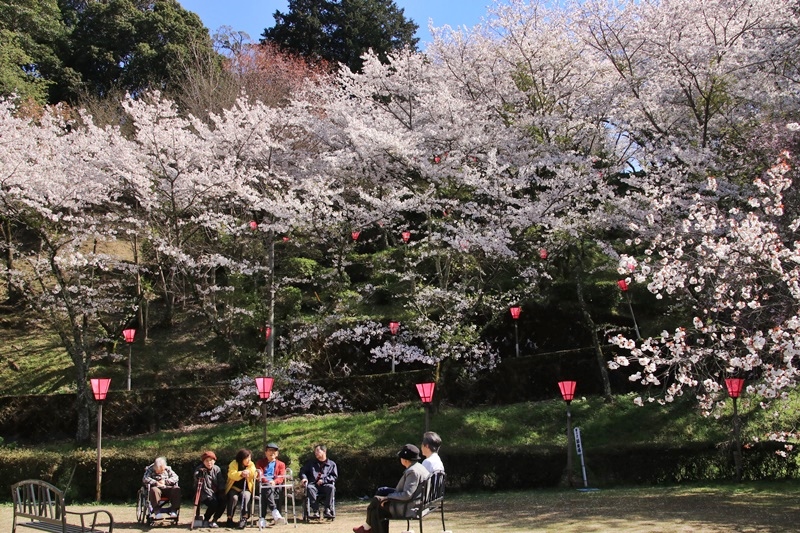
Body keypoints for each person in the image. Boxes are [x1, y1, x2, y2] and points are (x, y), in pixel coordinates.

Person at [352, 444, 429, 533]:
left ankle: (367, 527)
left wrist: (388, 498)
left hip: (409, 507)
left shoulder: (413, 472)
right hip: (416, 502)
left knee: (377, 508)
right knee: (382, 491)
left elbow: (407, 494)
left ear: (405, 460)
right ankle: (367, 527)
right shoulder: (419, 467)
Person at [300, 443, 338, 520]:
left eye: (318, 451)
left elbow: (334, 476)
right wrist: (304, 478)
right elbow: (303, 471)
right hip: (313, 484)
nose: (316, 453)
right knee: (310, 488)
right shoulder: (311, 463)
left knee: (331, 487)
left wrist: (324, 480)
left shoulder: (332, 464)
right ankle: (315, 511)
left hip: (325, 485)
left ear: (324, 451)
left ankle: (327, 510)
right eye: (315, 451)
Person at [255, 442, 287, 527]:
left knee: (266, 491)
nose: (272, 453)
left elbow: (281, 477)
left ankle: (262, 518)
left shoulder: (281, 464)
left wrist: (274, 482)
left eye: (274, 451)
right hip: (264, 484)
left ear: (277, 453)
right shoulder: (260, 463)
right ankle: (275, 511)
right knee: (266, 488)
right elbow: (260, 474)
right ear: (266, 452)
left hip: (276, 485)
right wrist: (267, 481)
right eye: (269, 450)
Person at [225, 448, 257, 529]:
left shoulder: (251, 464)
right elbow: (231, 474)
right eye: (246, 458)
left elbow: (253, 472)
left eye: (249, 457)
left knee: (246, 496)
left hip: (246, 488)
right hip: (234, 487)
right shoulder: (233, 463)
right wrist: (241, 474)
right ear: (241, 458)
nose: (248, 460)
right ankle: (229, 518)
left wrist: (248, 472)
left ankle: (244, 518)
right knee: (233, 497)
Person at [193, 450, 226, 528]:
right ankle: (206, 519)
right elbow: (196, 476)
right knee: (213, 503)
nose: (209, 463)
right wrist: (199, 475)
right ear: (203, 462)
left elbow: (221, 481)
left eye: (211, 460)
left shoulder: (217, 469)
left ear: (214, 461)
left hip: (215, 492)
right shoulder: (200, 469)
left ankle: (215, 520)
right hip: (204, 492)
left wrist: (222, 491)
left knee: (223, 502)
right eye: (206, 461)